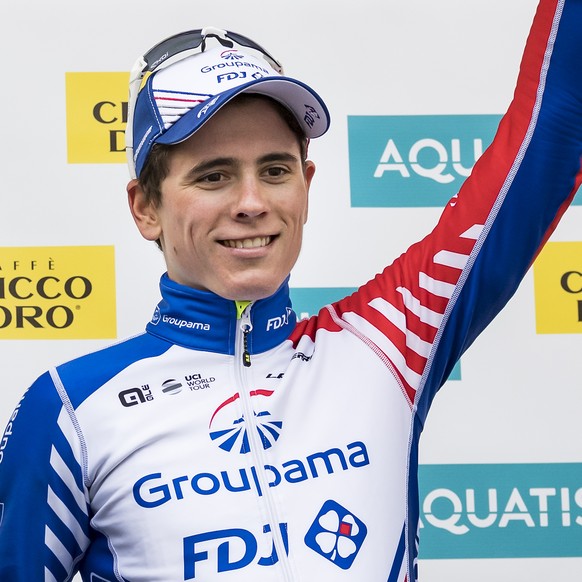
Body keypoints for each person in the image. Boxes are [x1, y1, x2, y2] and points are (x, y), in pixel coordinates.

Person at [0, 1, 580, 580]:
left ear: (306, 186)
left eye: (275, 170)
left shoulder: (388, 344)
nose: (252, 203)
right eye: (213, 175)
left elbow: (552, 131)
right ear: (145, 207)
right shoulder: (72, 410)